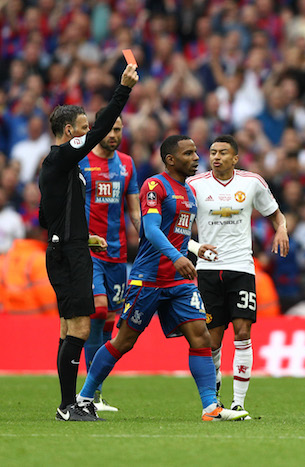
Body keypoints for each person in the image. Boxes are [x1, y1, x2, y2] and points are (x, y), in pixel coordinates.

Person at [76, 135, 248, 422]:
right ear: (170, 159)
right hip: (149, 278)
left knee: (200, 336)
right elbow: (151, 230)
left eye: (195, 153)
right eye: (188, 153)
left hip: (179, 282)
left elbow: (176, 234)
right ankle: (84, 398)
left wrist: (194, 248)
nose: (196, 157)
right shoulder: (154, 186)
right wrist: (178, 257)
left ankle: (210, 408)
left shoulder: (188, 192)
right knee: (124, 341)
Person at [39, 64, 138, 422]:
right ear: (70, 132)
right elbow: (99, 130)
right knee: (81, 326)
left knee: (69, 327)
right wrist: (122, 90)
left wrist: (81, 235)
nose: (90, 135)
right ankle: (70, 404)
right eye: (83, 130)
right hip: (70, 253)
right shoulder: (64, 157)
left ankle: (68, 403)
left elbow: (42, 215)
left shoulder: (57, 167)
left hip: (67, 247)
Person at [187, 135, 288, 417]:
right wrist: (195, 248)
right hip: (207, 270)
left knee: (243, 332)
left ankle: (239, 403)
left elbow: (277, 215)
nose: (216, 157)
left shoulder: (252, 182)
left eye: (222, 153)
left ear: (235, 158)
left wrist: (281, 228)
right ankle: (214, 400)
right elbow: (177, 227)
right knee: (212, 339)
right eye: (212, 152)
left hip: (241, 267)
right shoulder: (194, 185)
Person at [78, 107, 141, 412]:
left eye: (119, 129)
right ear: (96, 129)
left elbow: (134, 211)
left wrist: (148, 237)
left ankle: (95, 394)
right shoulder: (81, 162)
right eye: (110, 129)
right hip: (89, 252)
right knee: (99, 311)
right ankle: (88, 394)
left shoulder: (127, 165)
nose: (115, 135)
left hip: (118, 255)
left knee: (111, 322)